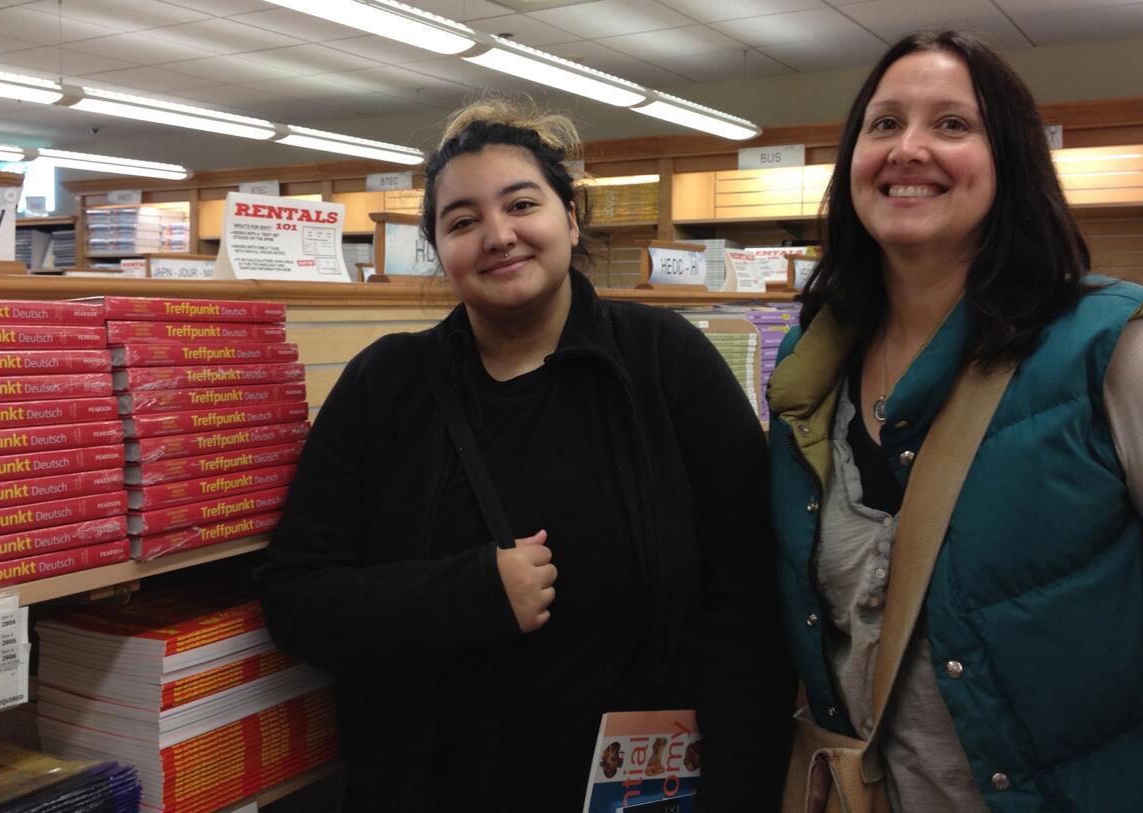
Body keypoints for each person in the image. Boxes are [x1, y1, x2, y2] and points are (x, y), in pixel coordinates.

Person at [258, 99, 794, 812]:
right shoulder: (384, 385)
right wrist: (469, 593)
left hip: (641, 795)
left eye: (521, 204)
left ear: (570, 220)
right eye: (462, 221)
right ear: (439, 250)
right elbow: (299, 599)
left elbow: (750, 599)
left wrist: (738, 791)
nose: (498, 235)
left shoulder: (665, 364)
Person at [767, 30, 1143, 812]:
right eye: (883, 124)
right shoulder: (813, 363)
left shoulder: (1112, 349)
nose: (908, 149)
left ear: (1010, 162)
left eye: (952, 124)